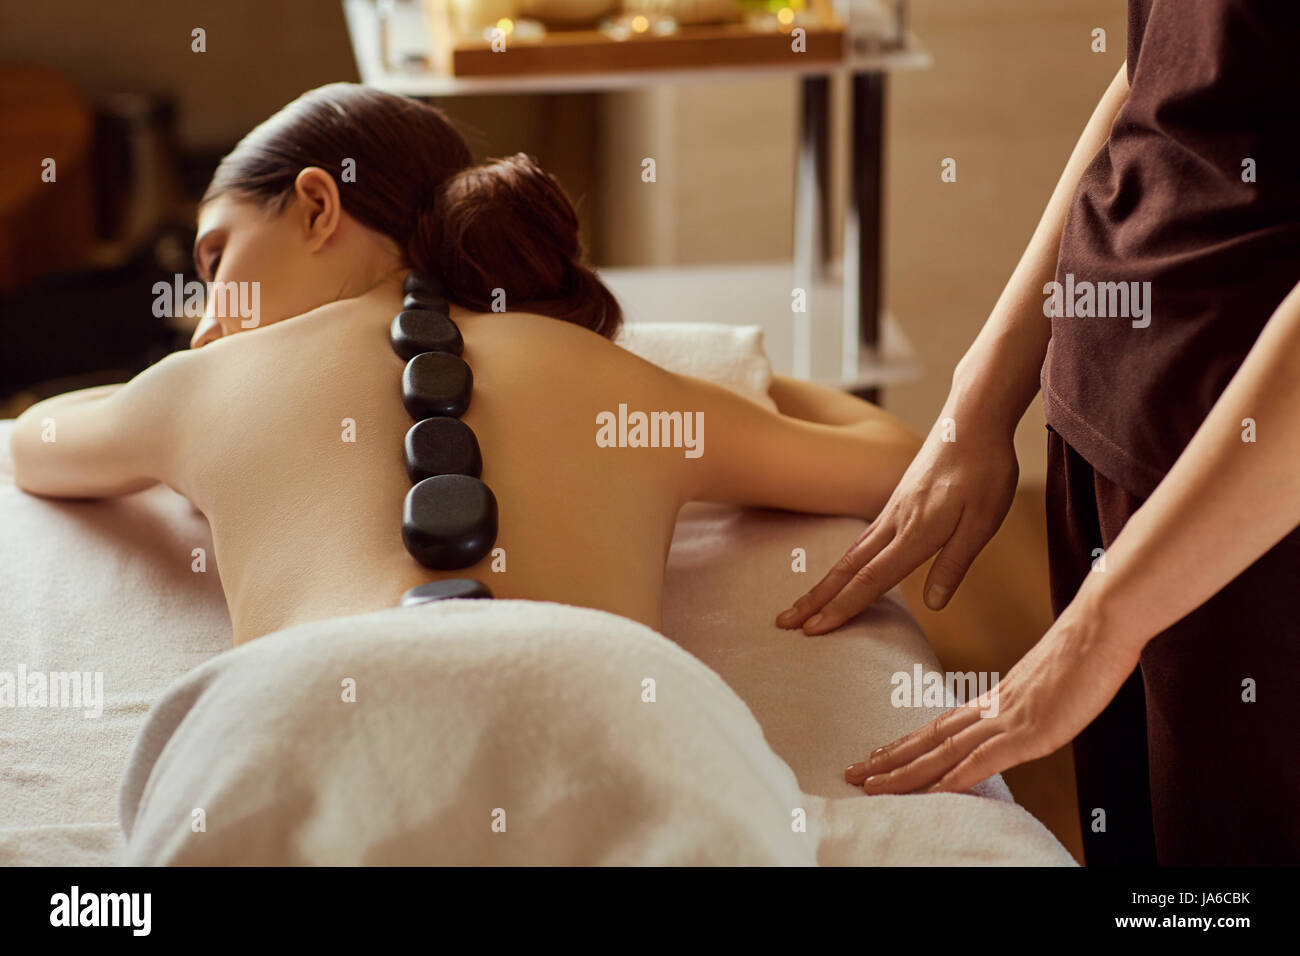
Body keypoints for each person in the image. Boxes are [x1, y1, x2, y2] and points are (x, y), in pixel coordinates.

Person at [10, 83, 919, 648]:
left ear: (317, 207)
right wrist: (725, 371)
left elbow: (31, 444)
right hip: (607, 735)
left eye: (215, 262)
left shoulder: (194, 390)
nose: (207, 326)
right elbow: (891, 463)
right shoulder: (623, 386)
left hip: (294, 733)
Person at [780, 1, 1300, 865]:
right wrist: (980, 396)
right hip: (1106, 423)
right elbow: (1155, 68)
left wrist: (1102, 627)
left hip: (1249, 501)